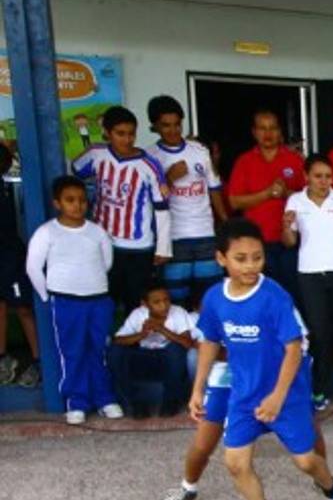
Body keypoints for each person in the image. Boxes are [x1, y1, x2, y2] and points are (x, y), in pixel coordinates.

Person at [190, 218, 333, 500]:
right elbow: (210, 342)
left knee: (307, 461)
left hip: (286, 394)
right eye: (241, 258)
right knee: (235, 463)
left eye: (257, 257)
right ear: (221, 258)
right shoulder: (214, 298)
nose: (251, 265)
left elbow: (293, 349)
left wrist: (277, 397)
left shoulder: (274, 297)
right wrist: (198, 388)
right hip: (243, 393)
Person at [157, 293, 329, 500]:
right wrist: (199, 387)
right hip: (228, 378)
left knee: (309, 429)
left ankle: (325, 481)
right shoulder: (218, 303)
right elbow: (207, 346)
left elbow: (298, 346)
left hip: (274, 377)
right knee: (203, 441)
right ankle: (187, 487)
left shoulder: (276, 299)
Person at [25, 176, 124, 424]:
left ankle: (105, 399)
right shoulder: (47, 232)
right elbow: (33, 267)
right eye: (70, 200)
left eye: (81, 200)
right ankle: (76, 402)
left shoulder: (96, 232)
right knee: (72, 351)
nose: (77, 205)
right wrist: (48, 296)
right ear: (57, 203)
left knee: (98, 349)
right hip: (66, 301)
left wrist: (92, 282)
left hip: (98, 299)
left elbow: (107, 262)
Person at [282, 153, 333, 410]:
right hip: (310, 275)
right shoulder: (295, 200)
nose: (323, 181)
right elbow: (290, 242)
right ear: (306, 176)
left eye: (328, 176)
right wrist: (286, 226)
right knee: (319, 334)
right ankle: (320, 389)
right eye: (318, 176)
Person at [70, 105, 171, 314]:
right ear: (107, 132)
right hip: (103, 242)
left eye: (131, 134)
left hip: (139, 247)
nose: (127, 140)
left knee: (135, 302)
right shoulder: (96, 154)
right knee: (105, 298)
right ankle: (105, 342)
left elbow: (162, 208)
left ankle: (134, 343)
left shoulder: (149, 165)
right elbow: (76, 171)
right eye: (120, 134)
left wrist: (163, 247)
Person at [145, 95, 227, 306]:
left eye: (177, 124)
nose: (173, 130)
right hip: (173, 237)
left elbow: (214, 190)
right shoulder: (149, 157)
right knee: (176, 299)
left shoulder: (199, 151)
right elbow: (149, 201)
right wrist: (170, 177)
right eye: (166, 125)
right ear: (154, 126)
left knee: (210, 296)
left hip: (205, 234)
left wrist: (226, 224)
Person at [227, 109, 306, 300]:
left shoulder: (294, 160)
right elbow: (234, 201)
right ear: (254, 132)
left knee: (292, 293)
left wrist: (286, 192)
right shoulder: (244, 161)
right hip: (256, 243)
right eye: (262, 128)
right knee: (262, 294)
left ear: (280, 132)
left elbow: (310, 198)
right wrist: (267, 193)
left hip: (291, 241)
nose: (268, 133)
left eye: (273, 128)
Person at [109, 283, 193, 417]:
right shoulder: (138, 314)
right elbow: (117, 340)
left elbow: (188, 343)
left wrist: (162, 330)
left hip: (169, 360)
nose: (164, 305)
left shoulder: (177, 312)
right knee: (116, 351)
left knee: (175, 350)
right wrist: (141, 335)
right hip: (145, 357)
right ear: (145, 304)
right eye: (157, 302)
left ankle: (170, 401)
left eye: (166, 300)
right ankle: (134, 403)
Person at [0, 144, 39, 387]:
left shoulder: (9, 188)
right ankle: (3, 359)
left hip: (10, 257)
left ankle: (40, 361)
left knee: (24, 308)